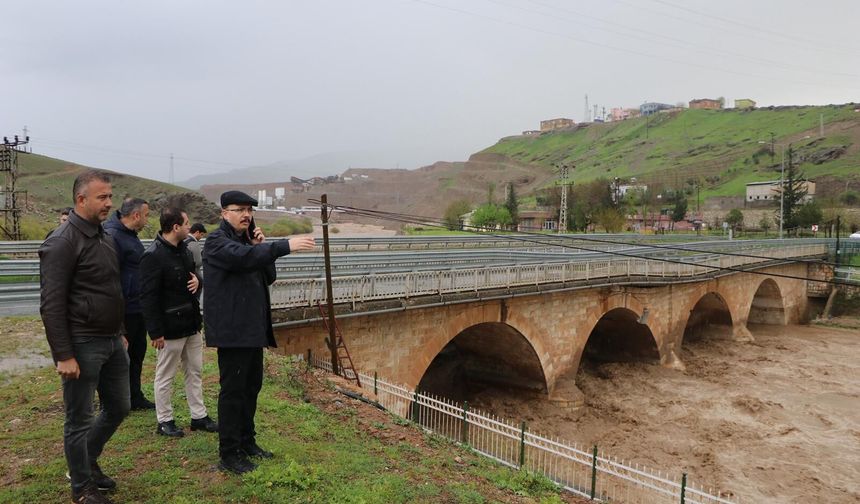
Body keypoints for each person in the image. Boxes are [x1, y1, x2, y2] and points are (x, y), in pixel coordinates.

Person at [203, 190, 315, 474]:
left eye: (249, 211)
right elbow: (240, 259)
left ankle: (246, 441)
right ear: (223, 213)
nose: (246, 215)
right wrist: (282, 246)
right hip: (233, 331)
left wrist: (261, 248)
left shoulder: (246, 242)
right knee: (233, 392)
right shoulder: (218, 241)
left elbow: (268, 277)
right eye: (239, 209)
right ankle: (229, 454)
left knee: (251, 387)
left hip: (252, 329)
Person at [39, 170, 129, 504]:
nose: (109, 203)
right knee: (79, 419)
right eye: (102, 197)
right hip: (82, 342)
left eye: (110, 196)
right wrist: (63, 354)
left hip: (111, 340)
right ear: (81, 200)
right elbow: (51, 304)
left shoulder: (103, 236)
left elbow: (111, 288)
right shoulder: (62, 241)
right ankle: (82, 488)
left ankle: (86, 463)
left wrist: (120, 331)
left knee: (119, 407)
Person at [140, 208, 217, 438]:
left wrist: (198, 283)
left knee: (195, 371)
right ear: (175, 227)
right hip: (169, 328)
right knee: (166, 375)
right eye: (186, 223)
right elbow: (148, 296)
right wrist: (155, 331)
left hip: (191, 323)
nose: (189, 226)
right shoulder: (152, 256)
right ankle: (164, 420)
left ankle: (199, 416)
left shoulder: (185, 250)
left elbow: (194, 277)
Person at [104, 197, 154, 410]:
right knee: (119, 358)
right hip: (123, 310)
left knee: (136, 353)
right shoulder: (113, 237)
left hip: (136, 307)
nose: (147, 220)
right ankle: (113, 401)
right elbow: (109, 279)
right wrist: (118, 324)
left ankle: (134, 396)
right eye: (146, 215)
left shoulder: (129, 235)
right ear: (136, 215)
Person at [184, 223, 207, 300]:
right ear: (197, 232)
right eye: (201, 234)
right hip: (195, 277)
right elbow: (198, 262)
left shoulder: (183, 239)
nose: (201, 237)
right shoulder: (194, 244)